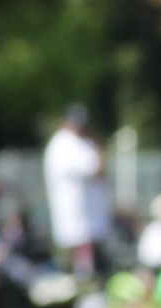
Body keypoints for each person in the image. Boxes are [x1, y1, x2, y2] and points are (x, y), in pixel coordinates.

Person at [43, 103, 111, 273]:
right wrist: (98, 147)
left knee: (84, 246)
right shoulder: (65, 143)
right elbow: (96, 169)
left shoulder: (77, 142)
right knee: (80, 249)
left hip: (84, 211)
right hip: (76, 211)